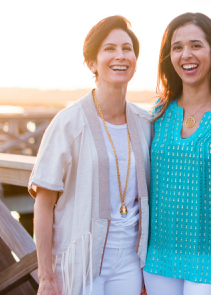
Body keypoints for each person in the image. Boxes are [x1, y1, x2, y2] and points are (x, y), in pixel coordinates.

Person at [29, 15, 152, 295]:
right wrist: (46, 277)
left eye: (127, 48)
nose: (120, 56)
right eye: (109, 49)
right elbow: (44, 203)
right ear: (92, 63)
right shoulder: (68, 123)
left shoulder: (145, 122)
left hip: (130, 263)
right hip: (81, 263)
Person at [143, 13, 211, 295]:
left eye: (195, 45)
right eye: (177, 47)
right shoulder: (159, 112)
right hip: (158, 258)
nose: (185, 55)